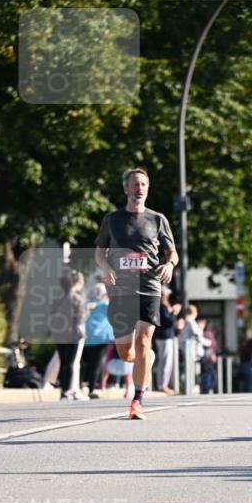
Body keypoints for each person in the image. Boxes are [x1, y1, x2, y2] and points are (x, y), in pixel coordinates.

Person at [94, 167, 178, 420]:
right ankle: (145, 359)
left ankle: (138, 400)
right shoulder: (112, 219)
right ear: (125, 188)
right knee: (127, 354)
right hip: (121, 290)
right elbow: (99, 251)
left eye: (143, 184)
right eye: (135, 184)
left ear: (147, 188)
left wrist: (170, 264)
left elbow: (171, 252)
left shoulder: (158, 219)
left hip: (150, 287)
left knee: (143, 340)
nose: (139, 188)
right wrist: (106, 266)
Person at [50, 269, 86, 399]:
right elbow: (81, 318)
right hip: (73, 334)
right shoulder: (78, 298)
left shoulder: (57, 298)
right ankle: (67, 390)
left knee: (63, 361)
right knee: (70, 362)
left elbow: (52, 315)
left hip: (59, 333)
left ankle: (63, 390)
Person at [82, 280, 113, 398]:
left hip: (88, 338)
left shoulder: (87, 303)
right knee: (96, 364)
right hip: (101, 338)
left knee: (88, 364)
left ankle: (81, 387)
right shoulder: (106, 304)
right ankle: (91, 389)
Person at [153, 286, 178, 394]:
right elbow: (168, 321)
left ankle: (163, 384)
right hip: (164, 336)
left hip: (163, 336)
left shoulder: (160, 305)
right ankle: (162, 385)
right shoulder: (162, 306)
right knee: (165, 361)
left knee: (164, 361)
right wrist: (174, 313)